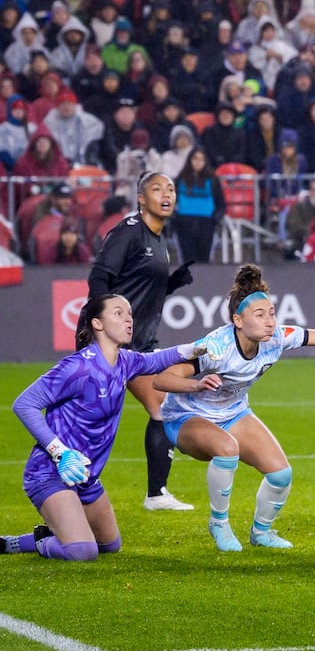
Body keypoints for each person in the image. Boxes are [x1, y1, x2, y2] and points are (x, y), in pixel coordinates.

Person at [152, 265, 315, 550]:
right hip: (186, 416)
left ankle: (261, 532)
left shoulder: (277, 337)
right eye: (260, 315)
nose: (270, 321)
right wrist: (197, 384)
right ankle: (219, 523)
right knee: (227, 448)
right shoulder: (216, 347)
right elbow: (161, 380)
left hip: (233, 413)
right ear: (237, 320)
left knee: (281, 475)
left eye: (271, 313)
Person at [1, 296, 207, 561]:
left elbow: (157, 361)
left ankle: (19, 542)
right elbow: (24, 404)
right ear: (97, 324)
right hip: (50, 473)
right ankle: (42, 541)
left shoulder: (125, 362)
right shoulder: (77, 367)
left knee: (109, 545)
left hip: (86, 476)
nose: (129, 319)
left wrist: (196, 347)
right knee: (82, 551)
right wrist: (59, 452)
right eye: (119, 313)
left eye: (130, 314)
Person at [88, 172, 196, 512]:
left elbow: (136, 287)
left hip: (140, 344)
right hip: (116, 346)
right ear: (140, 197)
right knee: (95, 422)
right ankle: (151, 494)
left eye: (171, 189)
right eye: (156, 188)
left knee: (162, 407)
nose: (166, 194)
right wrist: (103, 333)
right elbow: (100, 277)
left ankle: (156, 494)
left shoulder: (159, 238)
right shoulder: (129, 232)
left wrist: (171, 284)